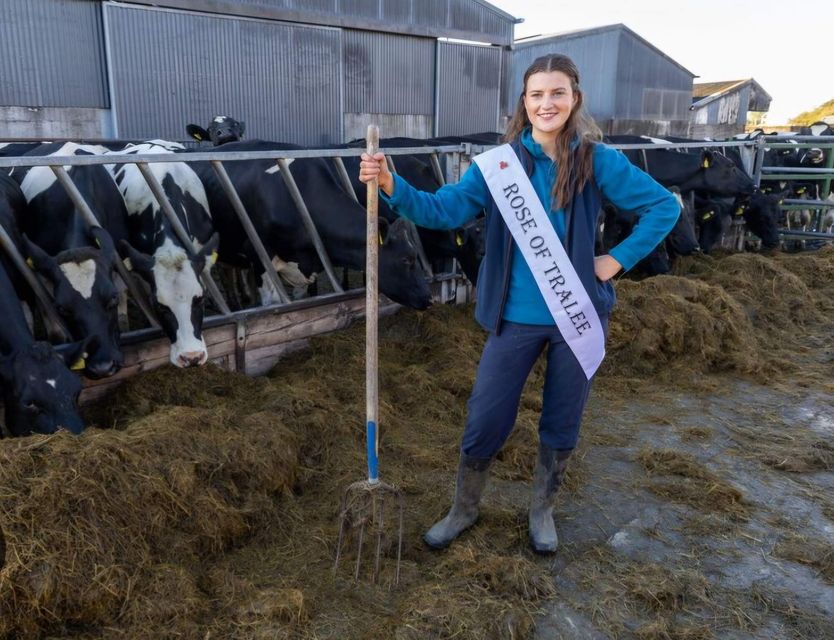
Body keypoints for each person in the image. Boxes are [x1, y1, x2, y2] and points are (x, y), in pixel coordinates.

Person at [358, 54, 679, 554]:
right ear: (523, 103)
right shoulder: (498, 166)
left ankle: (542, 510)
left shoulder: (597, 160)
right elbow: (444, 210)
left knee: (562, 417)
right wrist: (391, 186)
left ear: (574, 98)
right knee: (486, 415)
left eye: (557, 93)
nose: (546, 103)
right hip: (514, 318)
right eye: (536, 95)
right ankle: (464, 508)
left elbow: (665, 206)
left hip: (577, 317)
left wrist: (615, 261)